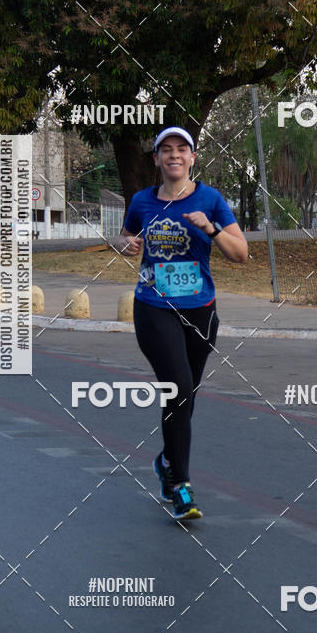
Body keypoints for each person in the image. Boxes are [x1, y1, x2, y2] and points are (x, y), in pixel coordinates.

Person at [117, 126, 247, 521]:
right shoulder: (141, 201)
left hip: (200, 310)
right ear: (156, 159)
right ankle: (181, 486)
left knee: (185, 396)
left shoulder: (210, 199)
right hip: (153, 306)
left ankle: (166, 462)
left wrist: (210, 228)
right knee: (179, 388)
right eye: (166, 150)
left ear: (192, 158)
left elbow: (240, 253)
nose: (174, 155)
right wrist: (125, 244)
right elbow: (125, 238)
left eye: (182, 149)